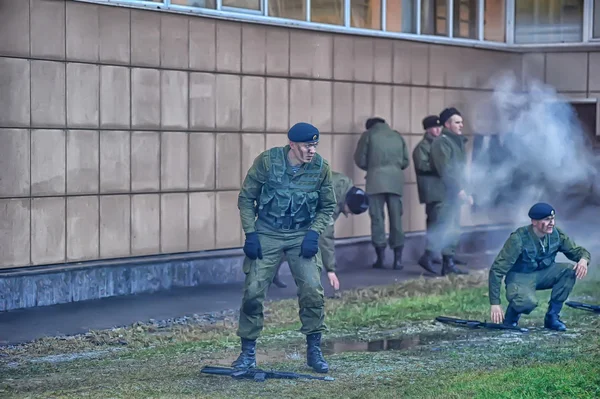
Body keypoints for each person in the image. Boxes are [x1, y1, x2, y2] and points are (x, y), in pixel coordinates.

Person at [232, 122, 336, 374]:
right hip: (268, 231)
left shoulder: (321, 168)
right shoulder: (267, 162)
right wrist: (251, 234)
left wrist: (314, 232)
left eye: (314, 145)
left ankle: (314, 349)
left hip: (301, 233)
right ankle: (247, 353)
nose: (311, 150)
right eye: (306, 145)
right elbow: (246, 198)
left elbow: (327, 206)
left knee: (312, 289)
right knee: (253, 291)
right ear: (292, 144)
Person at [488, 202, 590, 331]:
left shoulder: (556, 234)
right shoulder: (518, 239)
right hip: (520, 277)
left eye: (552, 219)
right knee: (527, 302)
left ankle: (552, 318)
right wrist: (495, 303)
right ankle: (511, 318)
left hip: (543, 274)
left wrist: (583, 259)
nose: (552, 223)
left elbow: (577, 251)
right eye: (547, 220)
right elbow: (497, 270)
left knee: (569, 270)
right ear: (534, 221)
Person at [271, 171, 370, 289]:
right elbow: (326, 236)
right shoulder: (331, 202)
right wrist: (330, 270)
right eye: (350, 211)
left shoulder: (343, 184)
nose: (348, 214)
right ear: (348, 204)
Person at [353, 117, 410, 270]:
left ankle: (380, 258)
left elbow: (360, 159)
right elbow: (405, 161)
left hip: (375, 180)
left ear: (369, 126)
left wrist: (372, 168)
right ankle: (398, 260)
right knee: (396, 219)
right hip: (395, 181)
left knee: (377, 218)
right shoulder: (397, 136)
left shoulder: (368, 135)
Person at [430, 107, 472, 275]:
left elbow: (460, 170)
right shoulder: (442, 142)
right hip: (446, 192)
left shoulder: (456, 141)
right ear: (447, 124)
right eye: (457, 122)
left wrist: (466, 189)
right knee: (448, 226)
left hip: (453, 192)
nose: (461, 125)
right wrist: (458, 190)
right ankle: (444, 262)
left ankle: (448, 261)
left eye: (462, 122)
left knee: (453, 227)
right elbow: (446, 169)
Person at [412, 115, 444, 274]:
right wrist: (440, 165)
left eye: (439, 127)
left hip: (441, 190)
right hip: (432, 191)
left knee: (440, 223)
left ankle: (435, 253)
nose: (438, 129)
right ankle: (429, 255)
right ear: (427, 129)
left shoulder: (440, 145)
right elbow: (422, 165)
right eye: (434, 127)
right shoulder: (422, 147)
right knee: (434, 223)